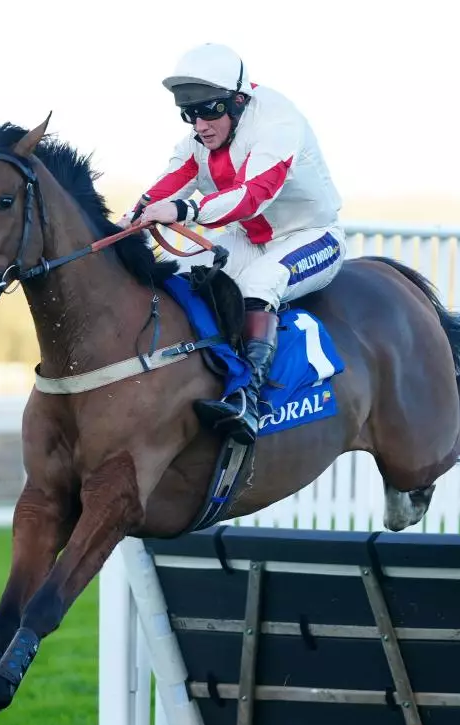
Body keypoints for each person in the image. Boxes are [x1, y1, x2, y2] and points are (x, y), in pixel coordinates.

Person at [122, 42, 347, 445]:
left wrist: (184, 211)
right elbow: (171, 181)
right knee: (184, 275)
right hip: (251, 237)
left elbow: (252, 196)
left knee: (260, 284)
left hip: (312, 236)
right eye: (189, 114)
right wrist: (129, 219)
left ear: (239, 101)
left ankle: (250, 400)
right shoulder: (200, 137)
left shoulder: (279, 124)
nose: (200, 124)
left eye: (210, 110)